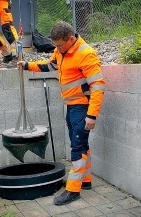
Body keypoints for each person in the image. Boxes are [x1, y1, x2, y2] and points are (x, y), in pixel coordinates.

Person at [17, 21, 105, 205]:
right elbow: (49, 66)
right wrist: (26, 65)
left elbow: (98, 86)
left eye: (59, 45)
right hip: (71, 106)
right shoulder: (62, 51)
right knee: (81, 144)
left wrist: (92, 115)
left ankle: (73, 190)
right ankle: (86, 181)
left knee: (77, 148)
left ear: (71, 39)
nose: (56, 49)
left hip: (82, 107)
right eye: (55, 45)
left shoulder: (86, 54)